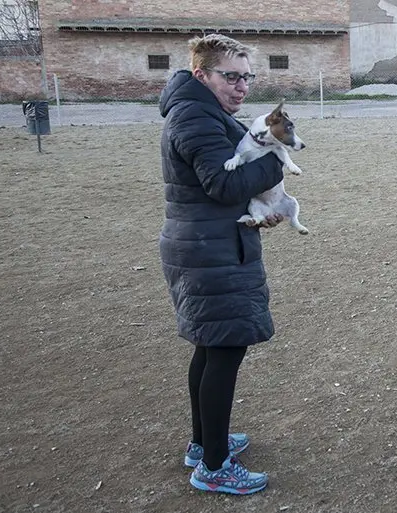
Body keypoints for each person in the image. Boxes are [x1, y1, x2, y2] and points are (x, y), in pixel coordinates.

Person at [158, 34, 284, 495]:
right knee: (224, 350)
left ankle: (203, 442)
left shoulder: (204, 111)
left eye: (247, 76)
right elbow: (221, 184)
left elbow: (229, 188)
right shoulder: (195, 115)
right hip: (207, 250)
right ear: (201, 75)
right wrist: (275, 166)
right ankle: (214, 465)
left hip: (213, 241)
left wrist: (257, 212)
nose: (242, 86)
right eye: (231, 76)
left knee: (211, 347)